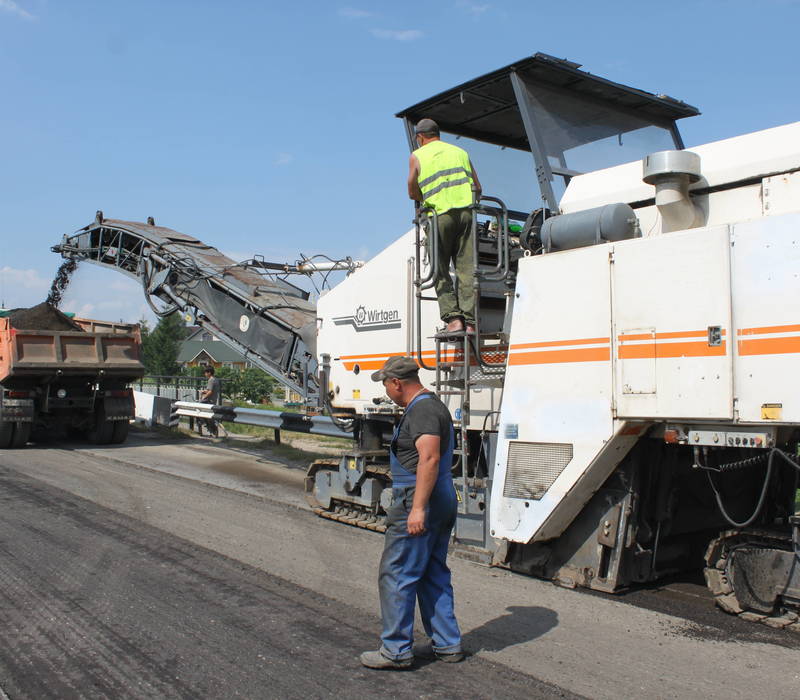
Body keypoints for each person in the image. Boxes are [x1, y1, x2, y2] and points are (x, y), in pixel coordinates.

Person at [360, 355, 463, 670]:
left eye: (386, 385)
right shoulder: (432, 407)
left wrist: (417, 508)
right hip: (441, 495)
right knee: (432, 571)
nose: (387, 392)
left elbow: (429, 459)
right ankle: (447, 644)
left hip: (419, 498)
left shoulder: (422, 412)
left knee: (397, 573)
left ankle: (396, 650)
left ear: (396, 383)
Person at [408, 118, 482, 335]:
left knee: (439, 269)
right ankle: (469, 322)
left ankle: (453, 320)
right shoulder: (461, 152)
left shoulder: (417, 156)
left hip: (440, 216)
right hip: (467, 215)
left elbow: (411, 190)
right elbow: (478, 188)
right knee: (466, 270)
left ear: (420, 137)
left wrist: (426, 198)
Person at [199, 366, 222, 437]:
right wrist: (204, 391)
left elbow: (210, 392)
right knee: (208, 416)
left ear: (209, 373)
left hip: (209, 400)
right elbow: (210, 390)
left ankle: (209, 428)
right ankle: (211, 429)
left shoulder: (211, 380)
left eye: (205, 373)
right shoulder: (216, 379)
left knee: (198, 411)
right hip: (214, 400)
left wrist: (203, 398)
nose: (204, 374)